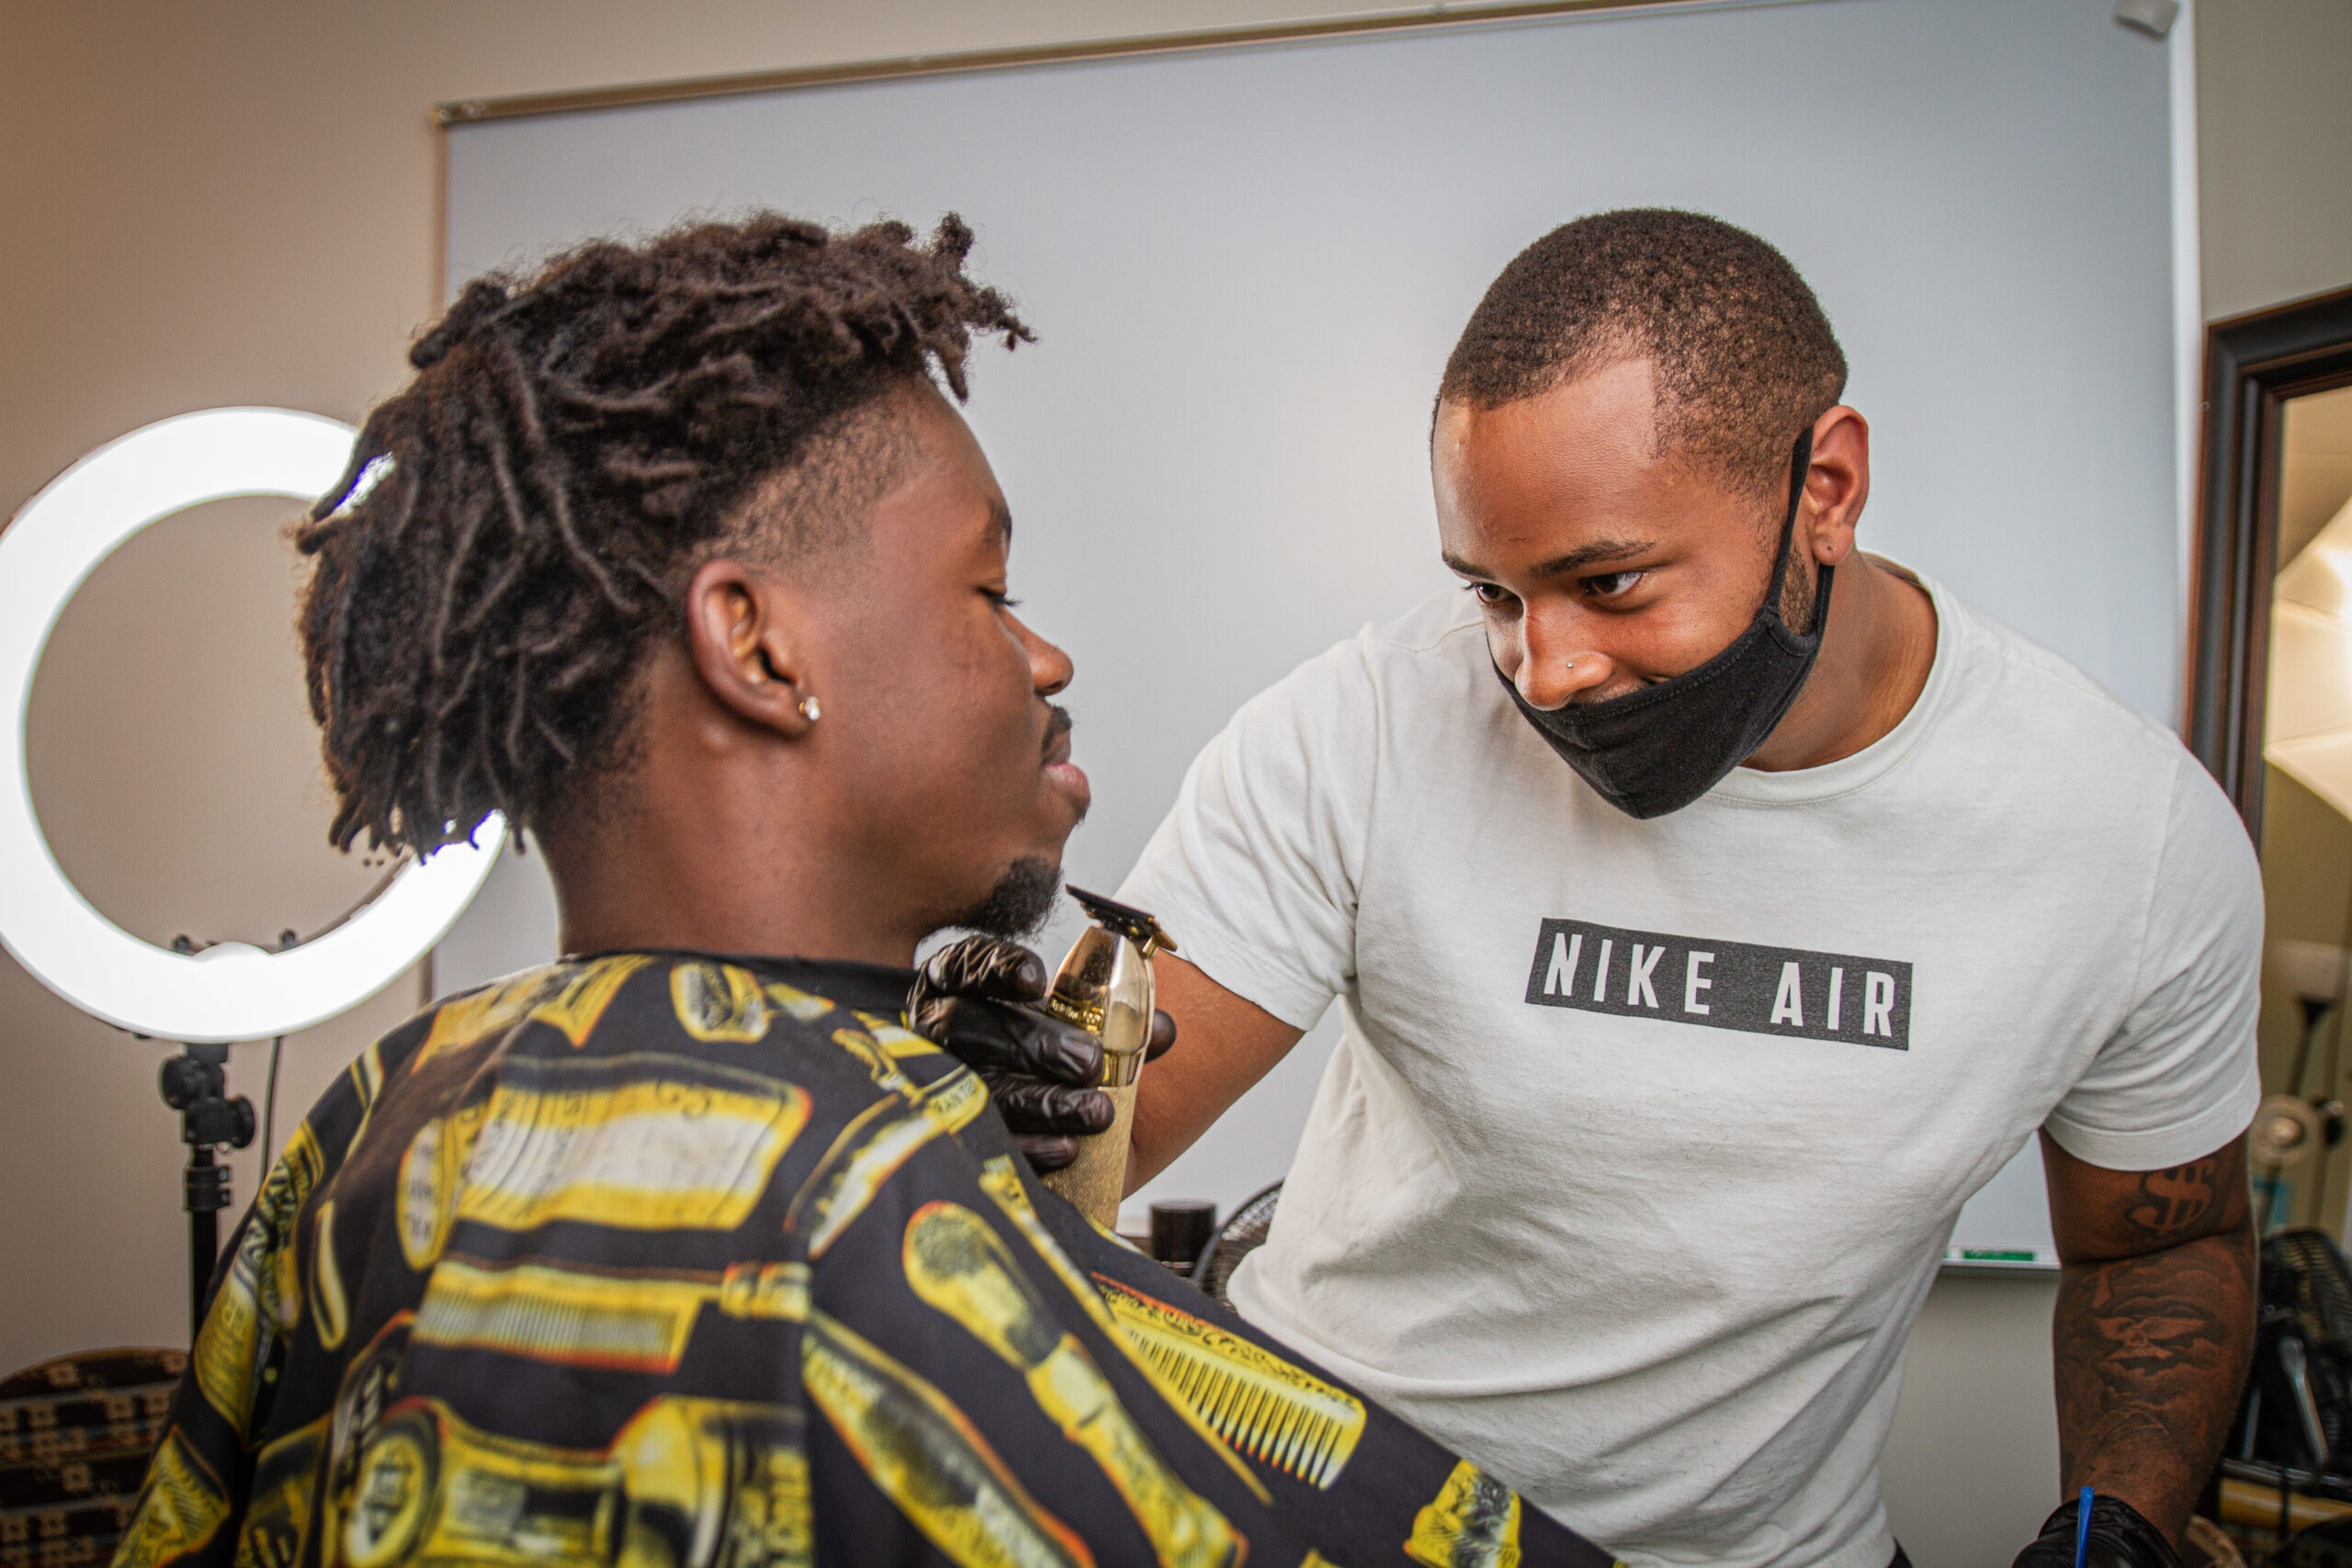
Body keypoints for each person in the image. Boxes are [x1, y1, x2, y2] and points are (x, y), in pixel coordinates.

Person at [110, 214, 1622, 1568]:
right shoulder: (851, 1201)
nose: (1047, 659)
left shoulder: (385, 1097)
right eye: (991, 592)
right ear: (760, 648)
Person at [917, 210, 2258, 1568]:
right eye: (1495, 597)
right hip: (1337, 1513)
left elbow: (2165, 1242)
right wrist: (963, 1075)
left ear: (1827, 490)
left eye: (1609, 582)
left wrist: (2120, 1528)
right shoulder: (1364, 730)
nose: (1543, 670)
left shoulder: (2128, 840)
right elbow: (1097, 1129)